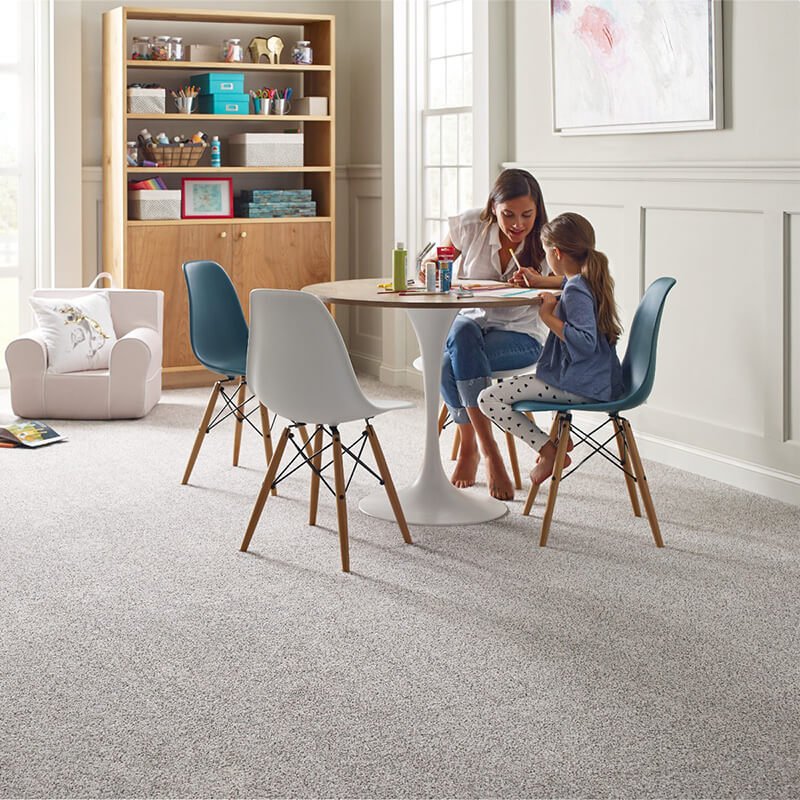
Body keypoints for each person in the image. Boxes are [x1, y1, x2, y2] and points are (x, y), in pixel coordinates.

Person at [426, 169, 562, 500]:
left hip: (520, 335)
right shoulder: (471, 225)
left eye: (527, 214)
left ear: (538, 209)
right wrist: (432, 266)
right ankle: (484, 449)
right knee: (461, 331)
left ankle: (476, 448)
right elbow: (436, 261)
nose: (518, 224)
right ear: (492, 208)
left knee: (446, 364)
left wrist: (539, 280)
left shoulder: (547, 240)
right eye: (508, 214)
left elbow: (577, 280)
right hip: (469, 327)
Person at [477, 212, 624, 485]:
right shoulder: (584, 280)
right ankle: (555, 445)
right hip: (597, 381)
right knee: (512, 388)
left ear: (556, 253)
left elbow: (585, 342)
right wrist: (541, 283)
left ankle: (549, 451)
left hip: (581, 386)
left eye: (547, 253)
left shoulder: (576, 290)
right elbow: (565, 283)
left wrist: (547, 317)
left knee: (488, 399)